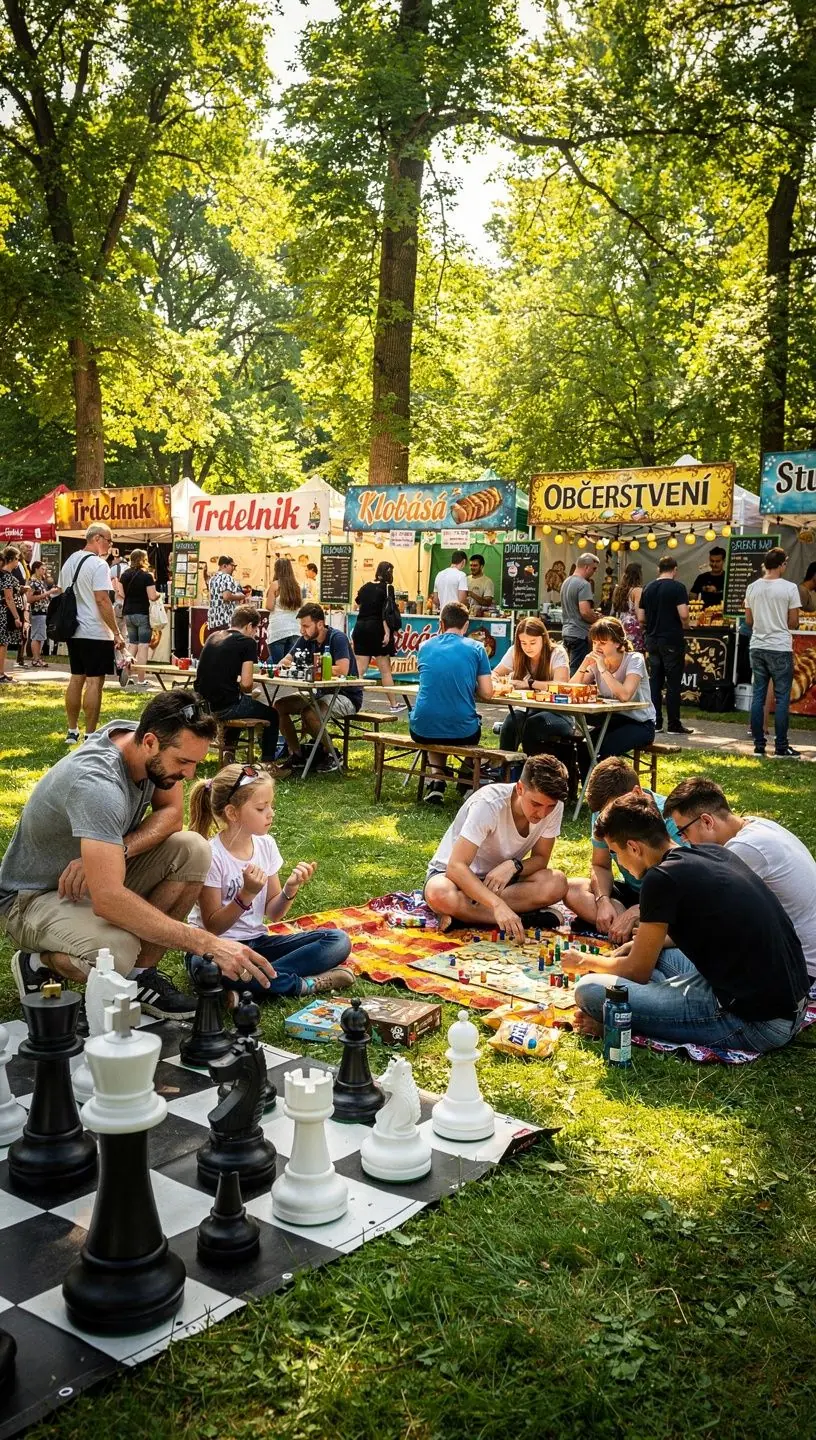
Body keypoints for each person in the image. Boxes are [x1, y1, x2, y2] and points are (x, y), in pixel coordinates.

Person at [0, 691, 279, 1017]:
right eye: (184, 763)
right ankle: (36, 962)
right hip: (32, 897)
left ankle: (140, 977)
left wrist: (120, 847)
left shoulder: (152, 741)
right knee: (117, 952)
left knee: (193, 849)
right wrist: (208, 944)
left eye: (195, 763)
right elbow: (109, 898)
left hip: (94, 876)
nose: (189, 776)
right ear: (149, 742)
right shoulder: (98, 785)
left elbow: (172, 815)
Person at [567, 794, 809, 1055]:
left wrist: (585, 962)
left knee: (589, 991)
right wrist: (634, 953)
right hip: (790, 1002)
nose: (618, 862)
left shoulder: (659, 879)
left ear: (634, 848)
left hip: (756, 1021)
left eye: (616, 853)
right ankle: (651, 1008)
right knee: (660, 956)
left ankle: (625, 1023)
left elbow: (637, 971)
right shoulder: (712, 851)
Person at [188, 764, 354, 1003]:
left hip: (257, 944)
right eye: (261, 807)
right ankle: (303, 984)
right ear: (233, 813)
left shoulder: (265, 845)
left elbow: (274, 913)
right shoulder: (211, 855)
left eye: (270, 805)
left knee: (338, 941)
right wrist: (246, 894)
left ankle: (246, 985)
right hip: (216, 948)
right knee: (208, 969)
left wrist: (291, 887)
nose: (270, 813)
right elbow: (213, 927)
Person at [664, 776, 816, 979]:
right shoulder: (758, 825)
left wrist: (655, 937)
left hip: (798, 971)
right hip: (795, 956)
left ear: (707, 821)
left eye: (683, 831)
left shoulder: (743, 849)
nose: (685, 841)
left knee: (662, 958)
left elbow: (707, 923)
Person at [423, 754, 569, 937]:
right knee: (439, 893)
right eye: (536, 804)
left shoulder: (554, 805)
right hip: (456, 878)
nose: (542, 813)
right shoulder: (489, 804)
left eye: (550, 807)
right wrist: (496, 904)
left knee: (557, 883)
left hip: (500, 881)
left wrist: (514, 865)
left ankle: (463, 917)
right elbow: (456, 867)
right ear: (520, 788)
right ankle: (524, 920)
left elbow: (541, 859)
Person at [565, 756, 682, 943]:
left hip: (666, 900)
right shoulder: (604, 816)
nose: (608, 818)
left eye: (613, 808)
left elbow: (684, 887)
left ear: (636, 793)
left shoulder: (672, 819)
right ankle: (626, 926)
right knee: (572, 888)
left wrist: (639, 910)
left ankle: (634, 929)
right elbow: (600, 865)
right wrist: (602, 900)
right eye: (603, 813)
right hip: (632, 894)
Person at [409, 601, 493, 804]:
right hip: (462, 730)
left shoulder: (424, 647)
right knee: (464, 724)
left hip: (422, 727)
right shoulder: (477, 648)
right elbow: (487, 693)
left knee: (435, 725)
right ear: (466, 626)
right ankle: (465, 779)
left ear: (441, 623)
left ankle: (437, 781)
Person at [273, 603, 363, 774]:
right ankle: (297, 754)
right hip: (319, 692)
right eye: (301, 626)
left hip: (346, 695)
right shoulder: (306, 639)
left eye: (306, 626)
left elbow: (343, 669)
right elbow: (285, 660)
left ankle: (332, 754)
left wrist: (310, 667)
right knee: (279, 706)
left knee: (310, 713)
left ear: (320, 624)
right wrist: (286, 666)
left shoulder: (337, 638)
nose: (302, 630)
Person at [59, 522, 126, 744]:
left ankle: (71, 730)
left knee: (76, 678)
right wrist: (116, 632)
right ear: (97, 538)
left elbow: (62, 592)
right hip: (95, 631)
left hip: (73, 629)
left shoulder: (69, 561)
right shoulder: (98, 565)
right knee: (95, 682)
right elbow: (102, 599)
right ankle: (90, 734)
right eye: (109, 540)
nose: (110, 545)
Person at [196, 606, 279, 763]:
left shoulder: (213, 637)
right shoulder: (247, 642)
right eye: (255, 630)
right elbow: (247, 684)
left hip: (204, 704)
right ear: (249, 626)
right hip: (225, 706)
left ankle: (229, 752)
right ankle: (268, 763)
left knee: (242, 701)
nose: (254, 634)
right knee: (272, 714)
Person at [573, 618, 656, 759]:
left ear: (617, 643)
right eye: (594, 642)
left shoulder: (634, 659)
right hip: (611, 720)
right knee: (583, 747)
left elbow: (624, 695)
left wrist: (603, 670)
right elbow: (570, 690)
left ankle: (605, 780)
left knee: (602, 750)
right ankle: (587, 782)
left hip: (640, 723)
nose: (597, 647)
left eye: (603, 643)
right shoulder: (597, 663)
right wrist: (584, 664)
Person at [745, 546, 800, 760]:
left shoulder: (752, 587)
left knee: (758, 695)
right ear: (782, 564)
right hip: (779, 646)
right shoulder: (789, 588)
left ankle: (759, 745)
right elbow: (794, 621)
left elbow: (749, 621)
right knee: (782, 697)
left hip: (757, 645)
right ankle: (781, 746)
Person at [491, 616, 572, 753]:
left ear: (543, 638)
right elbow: (495, 673)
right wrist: (499, 682)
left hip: (559, 713)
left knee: (532, 726)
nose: (528, 647)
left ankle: (531, 769)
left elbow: (560, 685)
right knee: (511, 722)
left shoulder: (557, 653)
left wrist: (529, 684)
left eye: (533, 642)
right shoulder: (515, 651)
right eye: (523, 643)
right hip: (529, 710)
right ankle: (504, 770)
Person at [637, 554, 693, 735]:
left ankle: (656, 721)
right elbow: (683, 614)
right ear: (675, 570)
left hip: (652, 639)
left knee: (655, 681)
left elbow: (641, 617)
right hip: (671, 639)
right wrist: (686, 625)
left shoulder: (648, 588)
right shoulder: (678, 588)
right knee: (673, 683)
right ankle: (674, 724)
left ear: (658, 570)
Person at [351, 560, 403, 710]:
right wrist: (387, 632)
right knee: (385, 669)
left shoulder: (365, 586)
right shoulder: (388, 588)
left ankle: (353, 702)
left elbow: (358, 604)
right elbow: (387, 612)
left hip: (360, 628)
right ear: (389, 573)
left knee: (360, 669)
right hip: (377, 629)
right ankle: (394, 705)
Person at [120, 548, 159, 689]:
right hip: (142, 613)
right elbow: (152, 596)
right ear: (143, 559)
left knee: (132, 644)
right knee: (143, 645)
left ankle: (127, 673)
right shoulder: (147, 576)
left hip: (128, 613)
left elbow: (121, 593)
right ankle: (141, 679)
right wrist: (159, 595)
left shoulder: (124, 575)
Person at [560, 553, 600, 672]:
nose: (594, 572)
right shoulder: (584, 584)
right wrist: (599, 620)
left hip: (566, 631)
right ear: (586, 567)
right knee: (578, 670)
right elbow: (585, 612)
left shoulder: (566, 582)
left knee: (568, 667)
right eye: (594, 568)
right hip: (580, 633)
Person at [264, 557, 303, 665]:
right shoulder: (296, 587)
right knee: (289, 665)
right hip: (294, 628)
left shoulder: (275, 585)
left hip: (278, 629)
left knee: (277, 664)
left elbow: (269, 606)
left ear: (277, 569)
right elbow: (300, 607)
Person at [0, 546, 25, 684]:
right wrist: (16, 617)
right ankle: (0, 673)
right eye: (17, 559)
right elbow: (9, 598)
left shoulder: (2, 574)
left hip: (2, 609)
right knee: (3, 643)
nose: (18, 562)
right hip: (4, 612)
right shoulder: (7, 576)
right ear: (10, 559)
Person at [27, 560, 59, 668]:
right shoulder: (32, 582)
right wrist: (48, 593)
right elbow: (30, 598)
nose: (44, 571)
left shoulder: (40, 581)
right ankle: (35, 659)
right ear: (36, 569)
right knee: (36, 636)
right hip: (37, 612)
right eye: (42, 569)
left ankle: (37, 657)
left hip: (44, 611)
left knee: (41, 636)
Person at [207, 555, 246, 632]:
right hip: (225, 619)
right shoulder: (227, 577)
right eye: (232, 566)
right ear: (224, 565)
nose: (234, 569)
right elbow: (226, 596)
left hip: (213, 620)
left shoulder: (212, 578)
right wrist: (240, 596)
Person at [11, 540, 33, 669]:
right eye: (26, 551)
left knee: (25, 628)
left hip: (24, 599)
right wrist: (21, 588)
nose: (29, 553)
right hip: (17, 598)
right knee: (19, 629)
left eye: (30, 551)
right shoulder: (17, 566)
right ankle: (19, 657)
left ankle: (21, 657)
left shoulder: (25, 565)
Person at [612, 563, 643, 650]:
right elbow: (640, 615)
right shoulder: (637, 591)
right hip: (633, 627)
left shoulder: (618, 590)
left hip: (620, 624)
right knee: (635, 655)